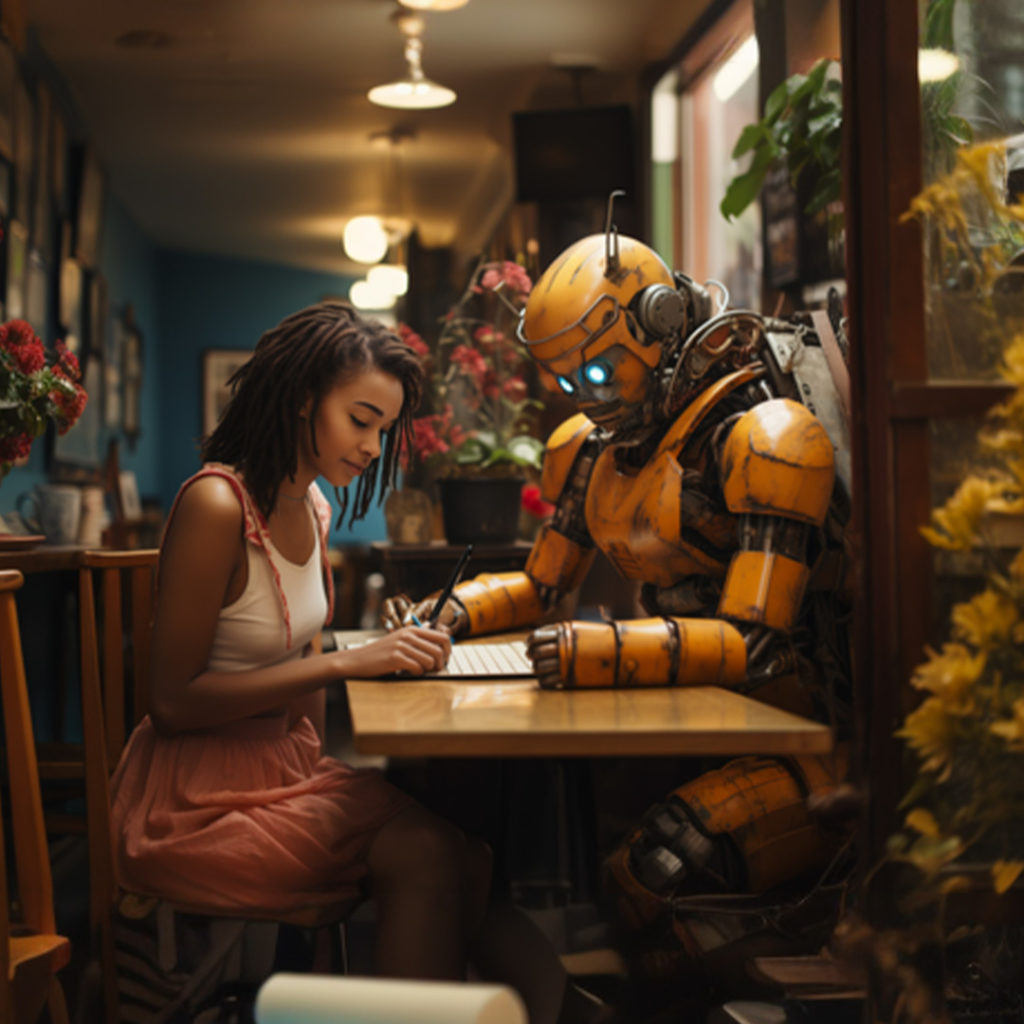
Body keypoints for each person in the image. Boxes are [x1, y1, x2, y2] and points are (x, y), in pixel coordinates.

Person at [383, 215, 855, 993]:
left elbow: (757, 640)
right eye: (565, 383)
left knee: (656, 874)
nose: (583, 399)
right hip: (691, 720)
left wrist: (604, 652)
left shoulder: (769, 437)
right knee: (614, 876)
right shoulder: (592, 449)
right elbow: (542, 585)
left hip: (808, 742)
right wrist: (452, 611)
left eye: (595, 376)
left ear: (657, 326)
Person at [109, 300, 604, 1024]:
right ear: (304, 400)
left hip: (282, 772)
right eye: (362, 419)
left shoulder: (312, 506)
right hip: (194, 801)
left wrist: (363, 678)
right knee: (430, 854)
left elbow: (301, 648)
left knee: (466, 853)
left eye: (385, 428)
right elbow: (173, 702)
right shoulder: (217, 505)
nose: (374, 446)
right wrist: (348, 663)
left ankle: (571, 1012)